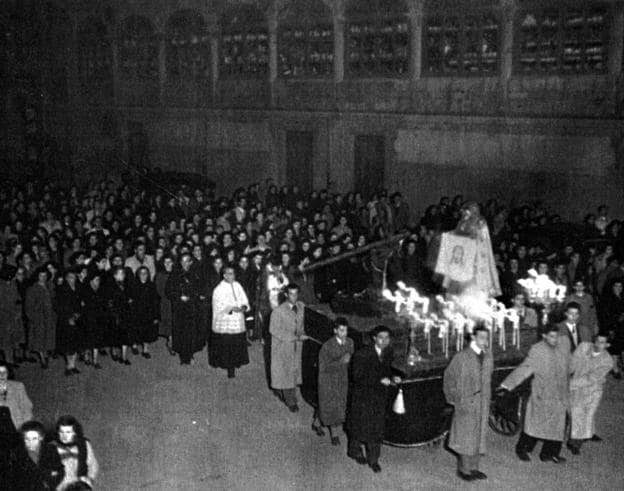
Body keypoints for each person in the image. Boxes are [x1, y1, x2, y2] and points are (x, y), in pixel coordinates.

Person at [499, 324, 571, 463]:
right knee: (534, 426)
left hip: (559, 395)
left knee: (557, 427)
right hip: (542, 395)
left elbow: (569, 365)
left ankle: (549, 454)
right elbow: (524, 369)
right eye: (551, 336)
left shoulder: (562, 346)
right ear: (544, 336)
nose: (555, 339)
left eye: (557, 336)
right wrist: (506, 385)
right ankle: (523, 449)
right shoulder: (537, 350)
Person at [347, 325, 400, 473]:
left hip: (379, 398)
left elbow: (386, 370)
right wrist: (379, 380)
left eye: (387, 338)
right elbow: (357, 377)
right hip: (363, 397)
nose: (384, 341)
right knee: (359, 427)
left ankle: (373, 460)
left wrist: (391, 377)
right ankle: (354, 451)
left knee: (376, 429)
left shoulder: (389, 351)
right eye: (381, 338)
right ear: (374, 338)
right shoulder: (362, 354)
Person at [443, 324, 493, 481]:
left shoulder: (488, 355)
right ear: (473, 337)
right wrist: (455, 398)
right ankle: (464, 470)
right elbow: (449, 377)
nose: (485, 341)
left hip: (482, 402)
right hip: (466, 402)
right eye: (482, 338)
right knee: (466, 437)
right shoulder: (462, 357)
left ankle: (474, 468)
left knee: (479, 436)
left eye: (487, 338)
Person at [567, 334, 614, 455]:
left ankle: (575, 442)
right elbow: (572, 363)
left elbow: (591, 379)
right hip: (576, 387)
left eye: (603, 343)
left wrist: (568, 384)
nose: (598, 345)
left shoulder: (608, 361)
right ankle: (580, 439)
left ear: (607, 345)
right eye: (597, 341)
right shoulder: (583, 347)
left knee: (587, 413)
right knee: (578, 413)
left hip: (592, 390)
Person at [316, 317, 354, 445]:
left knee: (336, 405)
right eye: (341, 330)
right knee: (331, 406)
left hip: (342, 379)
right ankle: (334, 434)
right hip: (329, 380)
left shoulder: (350, 342)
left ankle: (316, 422)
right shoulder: (327, 346)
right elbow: (323, 368)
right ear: (335, 331)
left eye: (346, 330)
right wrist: (340, 362)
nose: (344, 333)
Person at [270, 283, 306, 412]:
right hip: (283, 347)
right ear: (286, 294)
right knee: (285, 373)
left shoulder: (301, 307)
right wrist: (294, 337)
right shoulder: (278, 311)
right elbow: (273, 329)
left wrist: (301, 334)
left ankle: (279, 390)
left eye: (296, 294)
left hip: (296, 347)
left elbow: (301, 325)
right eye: (291, 294)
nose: (294, 297)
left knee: (292, 373)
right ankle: (291, 401)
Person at [210, 266, 250, 378]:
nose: (231, 276)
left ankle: (237, 362)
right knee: (228, 344)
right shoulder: (219, 289)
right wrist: (231, 308)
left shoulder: (238, 285)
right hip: (226, 321)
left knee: (237, 343)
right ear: (224, 275)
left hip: (238, 319)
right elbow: (218, 305)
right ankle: (229, 367)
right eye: (229, 273)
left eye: (233, 273)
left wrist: (244, 307)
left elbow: (244, 299)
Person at [165, 253, 204, 365]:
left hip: (192, 307)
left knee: (191, 331)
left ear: (191, 262)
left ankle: (190, 353)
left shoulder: (195, 274)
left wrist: (193, 296)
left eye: (187, 261)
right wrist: (179, 297)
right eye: (183, 261)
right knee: (180, 331)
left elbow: (200, 290)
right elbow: (168, 291)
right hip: (179, 307)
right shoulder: (174, 274)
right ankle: (183, 355)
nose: (185, 263)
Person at [10, 420, 65, 490]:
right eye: (27, 439)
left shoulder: (50, 449)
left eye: (34, 439)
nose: (30, 443)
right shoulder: (17, 453)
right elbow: (14, 478)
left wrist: (49, 484)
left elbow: (60, 470)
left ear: (41, 438)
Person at [52, 415, 99, 491]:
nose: (64, 436)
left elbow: (93, 465)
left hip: (79, 487)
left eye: (68, 432)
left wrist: (89, 479)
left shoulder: (84, 444)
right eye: (61, 432)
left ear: (75, 432)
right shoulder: (51, 447)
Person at [25, 267, 56, 369]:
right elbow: (28, 306)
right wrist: (32, 317)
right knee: (39, 339)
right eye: (41, 276)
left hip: (49, 316)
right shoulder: (33, 289)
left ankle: (45, 354)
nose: (43, 278)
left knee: (47, 337)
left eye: (45, 276)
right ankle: (43, 358)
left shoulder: (49, 287)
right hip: (39, 317)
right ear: (37, 276)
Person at [56, 269, 84, 376]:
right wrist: (69, 317)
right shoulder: (62, 289)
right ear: (66, 278)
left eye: (74, 277)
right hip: (66, 319)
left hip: (77, 317)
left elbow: (81, 302)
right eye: (70, 277)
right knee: (68, 343)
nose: (72, 279)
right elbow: (60, 306)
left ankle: (73, 365)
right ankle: (69, 365)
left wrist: (78, 314)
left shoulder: (78, 288)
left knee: (76, 342)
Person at [129, 266, 160, 358]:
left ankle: (145, 349)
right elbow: (131, 300)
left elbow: (155, 301)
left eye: (145, 273)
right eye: (141, 273)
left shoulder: (151, 285)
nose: (143, 275)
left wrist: (156, 315)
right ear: (138, 275)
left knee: (147, 331)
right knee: (136, 330)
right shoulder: (134, 285)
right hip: (137, 312)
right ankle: (134, 345)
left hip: (148, 312)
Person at [154, 256, 175, 355]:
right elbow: (158, 291)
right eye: (165, 262)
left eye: (169, 261)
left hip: (176, 301)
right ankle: (171, 343)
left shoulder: (176, 273)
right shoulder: (160, 275)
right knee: (168, 321)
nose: (167, 264)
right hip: (165, 302)